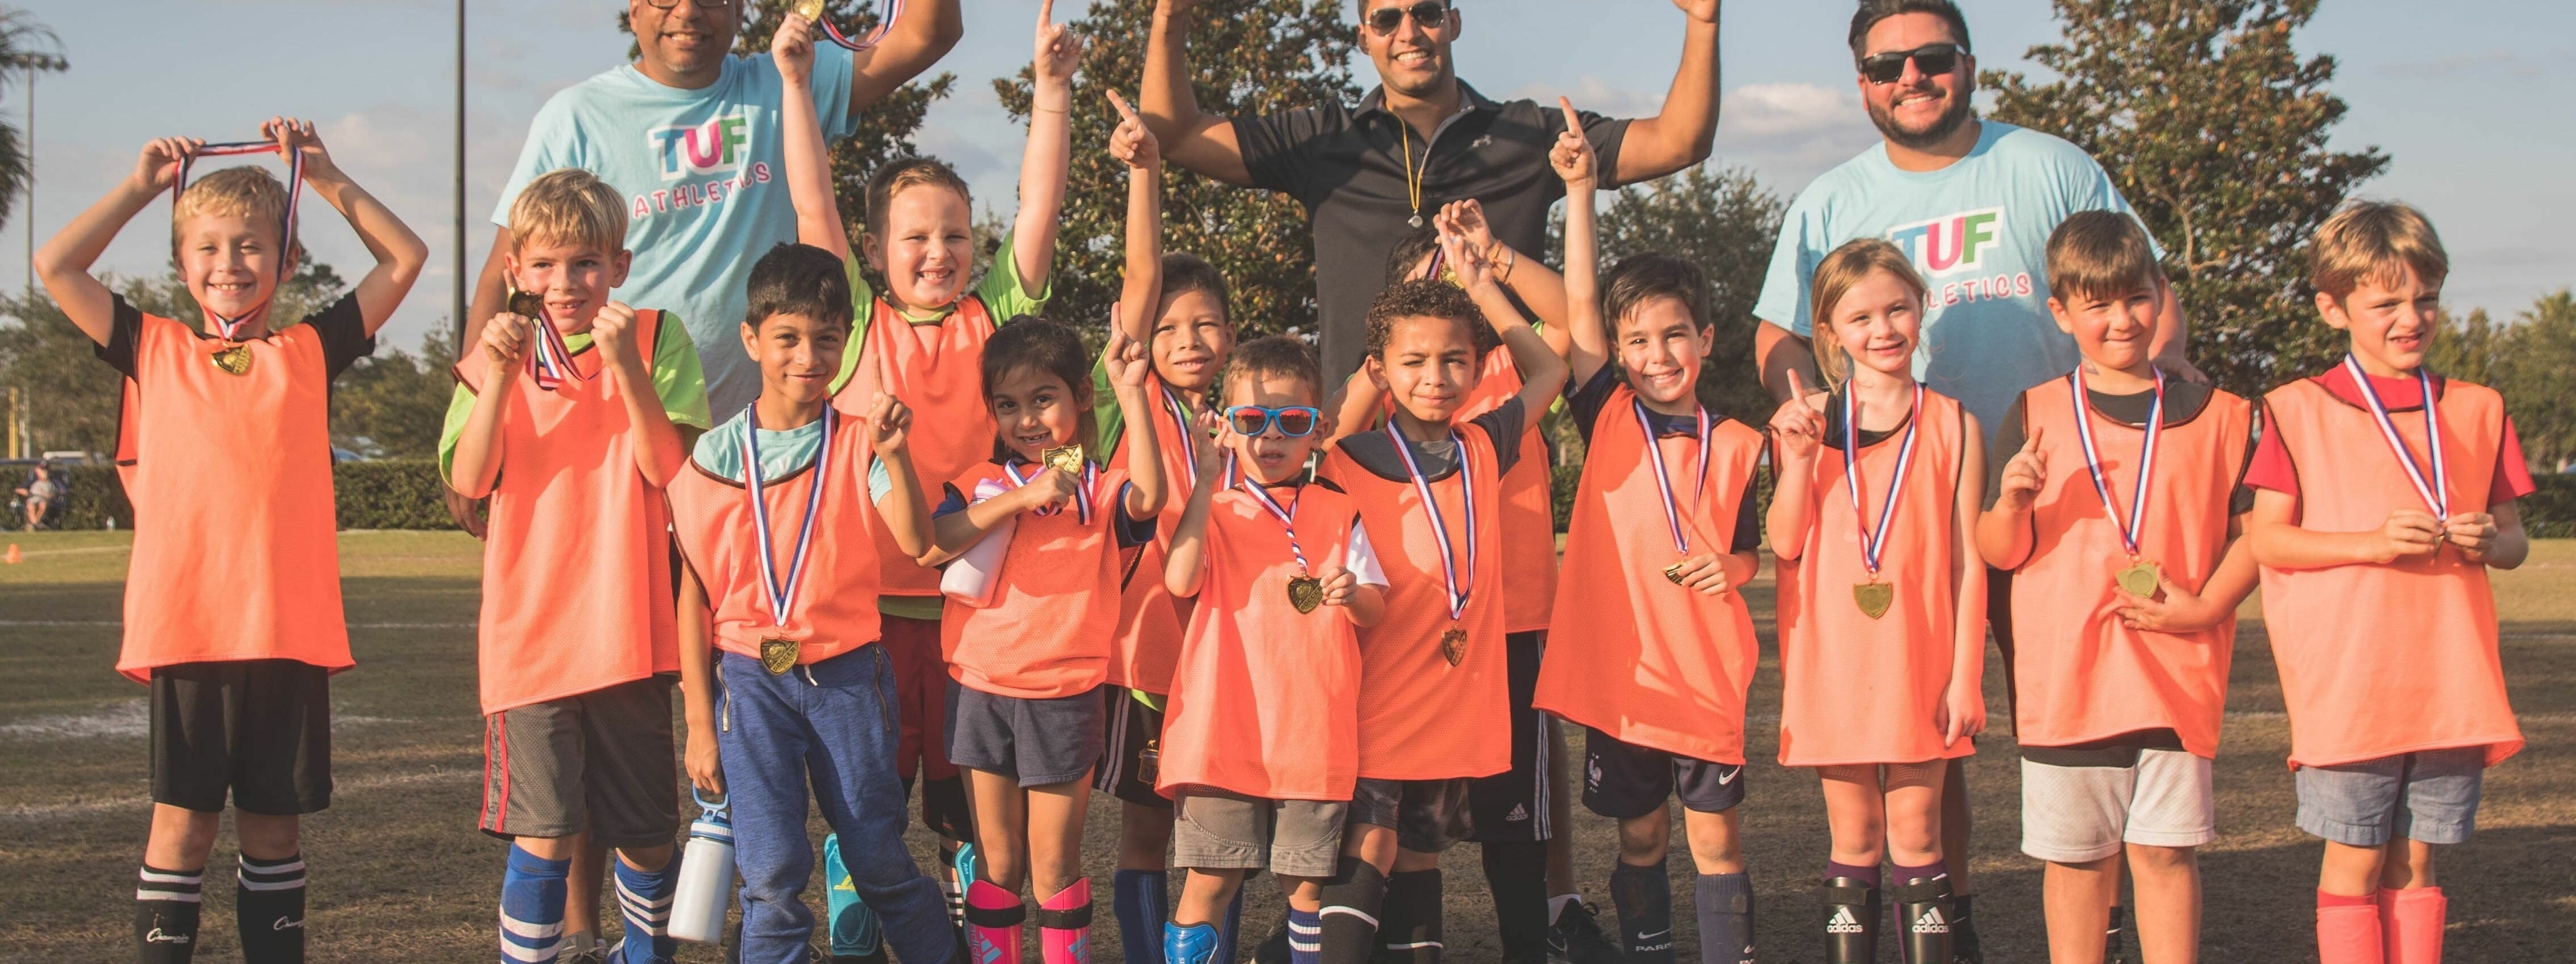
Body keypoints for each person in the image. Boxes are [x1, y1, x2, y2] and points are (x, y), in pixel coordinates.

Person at [1747, 6, 2201, 951]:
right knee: (1931, 749)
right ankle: (1945, 921)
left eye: (1931, 58)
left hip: (2066, 503)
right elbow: (1779, 331)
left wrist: (2155, 396)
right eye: (1886, 65)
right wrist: (1804, 411)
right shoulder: (1831, 197)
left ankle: (2102, 921)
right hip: (1909, 515)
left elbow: (2144, 289)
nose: (1910, 77)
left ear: (1967, 63)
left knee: (2082, 726)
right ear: (1861, 80)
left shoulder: (2051, 166)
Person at [36, 119, 427, 963]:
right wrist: (141, 189)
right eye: (208, 248)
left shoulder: (310, 351)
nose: (229, 264)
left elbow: (404, 259)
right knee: (181, 828)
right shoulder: (154, 348)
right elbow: (56, 266)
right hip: (190, 631)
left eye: (251, 246)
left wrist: (323, 177)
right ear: (182, 265)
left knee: (274, 830)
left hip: (285, 633)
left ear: (286, 262)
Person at [778, 2, 1081, 950]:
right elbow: (812, 202)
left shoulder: (995, 315)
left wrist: (1055, 91)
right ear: (874, 253)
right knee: (872, 786)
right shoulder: (856, 322)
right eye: (915, 237)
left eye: (955, 233)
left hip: (972, 614)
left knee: (959, 793)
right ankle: (855, 881)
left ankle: (962, 900)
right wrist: (794, 84)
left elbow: (1040, 205)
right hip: (866, 611)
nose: (938, 252)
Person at [1142, 0, 1725, 389]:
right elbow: (1175, 134)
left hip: (1499, 437)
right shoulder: (1321, 139)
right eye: (1387, 18)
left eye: (1425, 13)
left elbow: (1680, 142)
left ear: (1454, 21)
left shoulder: (1532, 135)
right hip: (1360, 439)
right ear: (1362, 36)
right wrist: (1170, 14)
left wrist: (1703, 23)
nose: (1409, 32)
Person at [2242, 202, 2531, 964]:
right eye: (2388, 303)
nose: (2412, 318)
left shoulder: (2479, 408)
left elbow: (2515, 541)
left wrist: (2486, 540)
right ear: (2333, 307)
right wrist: (2370, 543)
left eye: (2425, 299)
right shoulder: (2295, 409)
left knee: (2418, 862)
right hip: (2353, 685)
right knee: (2356, 860)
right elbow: (2267, 538)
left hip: (2450, 682)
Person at [441, 167, 712, 964]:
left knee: (648, 836)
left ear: (619, 268)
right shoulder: (494, 358)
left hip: (629, 632)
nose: (568, 283)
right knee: (548, 832)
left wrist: (624, 362)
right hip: (530, 643)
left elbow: (666, 467)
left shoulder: (658, 338)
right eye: (549, 265)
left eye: (586, 263)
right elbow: (470, 481)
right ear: (518, 271)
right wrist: (495, 375)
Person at [1975, 212, 2260, 964]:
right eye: (2096, 305)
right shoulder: (2035, 410)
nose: (2120, 319)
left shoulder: (2222, 416)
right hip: (2068, 684)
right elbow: (1997, 552)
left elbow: (2255, 537)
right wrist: (2010, 502)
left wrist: (2204, 607)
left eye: (2135, 298)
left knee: (2166, 858)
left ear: (2161, 296)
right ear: (2062, 313)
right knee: (2077, 867)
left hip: (2177, 677)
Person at [668, 242, 954, 964]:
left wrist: (894, 455)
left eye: (827, 338)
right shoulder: (713, 457)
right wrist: (701, 722)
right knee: (769, 875)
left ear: (846, 341)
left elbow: (920, 542)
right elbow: (695, 592)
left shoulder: (861, 442)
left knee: (879, 858)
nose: (808, 356)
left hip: (848, 681)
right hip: (749, 683)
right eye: (788, 337)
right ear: (752, 339)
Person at [1527, 112, 1764, 964]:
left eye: (1673, 335)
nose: (1656, 353)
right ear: (1619, 354)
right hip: (1629, 683)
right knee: (1641, 839)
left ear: (1705, 338)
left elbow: (1751, 552)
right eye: (1638, 341)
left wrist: (1729, 566)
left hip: (1707, 680)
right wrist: (1581, 192)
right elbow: (1581, 303)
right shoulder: (1609, 414)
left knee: (1718, 846)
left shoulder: (1742, 442)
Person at [1309, 231, 1568, 964]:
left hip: (1453, 696)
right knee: (1370, 845)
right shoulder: (1347, 460)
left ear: (1479, 364)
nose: (1436, 376)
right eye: (1414, 362)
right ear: (1380, 371)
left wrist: (1483, 286)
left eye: (1455, 359)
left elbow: (1547, 366)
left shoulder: (1486, 444)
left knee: (1422, 848)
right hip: (1379, 691)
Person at [1765, 240, 1985, 964]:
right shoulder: (1804, 421)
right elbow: (1786, 541)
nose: (1884, 329)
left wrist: (1966, 676)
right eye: (1861, 317)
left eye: (1898, 308)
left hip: (1920, 665)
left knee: (1919, 836)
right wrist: (1797, 462)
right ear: (1829, 331)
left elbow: (1967, 560)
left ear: (1922, 308)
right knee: (1854, 839)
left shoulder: (1955, 423)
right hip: (1833, 667)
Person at [924, 319, 1168, 964]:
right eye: (1008, 405)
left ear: (1082, 396)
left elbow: (1151, 497)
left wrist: (1133, 392)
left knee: (1055, 868)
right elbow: (937, 541)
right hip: (979, 692)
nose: (1027, 419)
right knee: (999, 866)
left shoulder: (1101, 487)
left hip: (1064, 696)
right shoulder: (979, 480)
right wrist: (1018, 498)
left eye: (1043, 398)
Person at [1082, 94, 1252, 963]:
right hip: (1150, 663)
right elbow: (1141, 282)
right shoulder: (1133, 401)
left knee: (1220, 839)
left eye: (1205, 324)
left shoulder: (1244, 423)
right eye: (1171, 328)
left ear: (1231, 336)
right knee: (1150, 837)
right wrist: (1144, 174)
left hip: (1229, 663)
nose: (1186, 339)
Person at [1155, 335, 1390, 964]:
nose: (1272, 436)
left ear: (1321, 430)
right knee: (1209, 880)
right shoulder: (1213, 510)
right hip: (1220, 737)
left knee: (1306, 888)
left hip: (1313, 738)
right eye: (1253, 420)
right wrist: (1205, 481)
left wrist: (1353, 592)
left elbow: (1377, 606)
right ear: (1229, 428)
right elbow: (1179, 581)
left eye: (1293, 421)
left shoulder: (1342, 513)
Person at [17, 462, 61, 530]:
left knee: (43, 504)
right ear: (37, 471)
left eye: (46, 470)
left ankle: (33, 525)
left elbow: (61, 491)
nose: (44, 472)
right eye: (42, 470)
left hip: (46, 501)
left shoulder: (52, 482)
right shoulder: (32, 480)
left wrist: (52, 495)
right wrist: (26, 492)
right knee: (31, 506)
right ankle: (35, 525)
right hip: (33, 499)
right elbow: (18, 490)